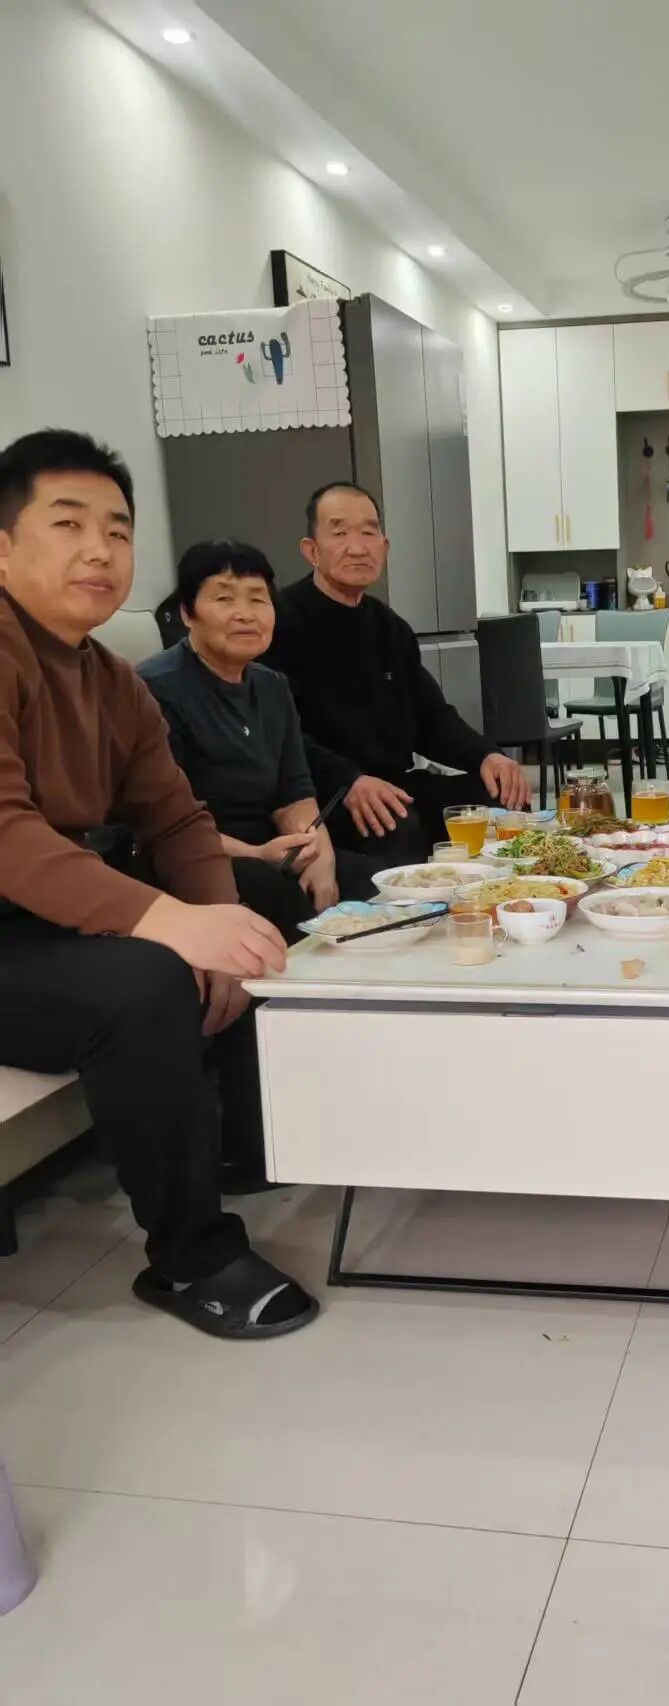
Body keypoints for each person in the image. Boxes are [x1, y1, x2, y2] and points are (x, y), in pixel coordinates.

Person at [0, 428, 316, 1339]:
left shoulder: (110, 678)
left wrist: (214, 922)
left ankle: (246, 1147)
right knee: (141, 980)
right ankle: (190, 1258)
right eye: (68, 524)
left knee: (260, 901)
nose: (100, 550)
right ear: (4, 546)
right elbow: (6, 834)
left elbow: (176, 820)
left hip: (44, 914)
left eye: (117, 530)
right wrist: (168, 925)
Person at [268, 482, 530, 862]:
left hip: (396, 785)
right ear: (312, 550)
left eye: (368, 532)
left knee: (502, 798)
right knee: (396, 823)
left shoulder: (389, 627)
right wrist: (349, 780)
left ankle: (509, 896)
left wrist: (488, 756)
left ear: (385, 547)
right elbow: (282, 735)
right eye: (340, 533)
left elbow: (432, 719)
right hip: (328, 793)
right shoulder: (280, 622)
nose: (357, 547)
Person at [139, 539, 381, 940]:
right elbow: (164, 823)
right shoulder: (156, 689)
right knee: (279, 894)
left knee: (375, 884)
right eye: (224, 598)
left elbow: (295, 793)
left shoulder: (272, 687)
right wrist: (256, 855)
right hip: (195, 856)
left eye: (257, 599)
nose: (245, 614)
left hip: (271, 848)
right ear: (187, 613)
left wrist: (319, 854)